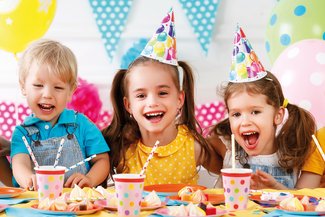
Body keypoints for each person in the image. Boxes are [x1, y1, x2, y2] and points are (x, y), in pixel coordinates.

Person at [102, 8, 221, 185]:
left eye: (162, 93)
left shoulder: (193, 147)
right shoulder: (121, 150)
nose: (152, 102)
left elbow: (230, 170)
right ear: (128, 105)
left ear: (179, 99)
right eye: (141, 95)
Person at [207, 25, 317, 189]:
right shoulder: (228, 148)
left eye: (255, 112)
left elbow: (300, 203)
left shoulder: (292, 150)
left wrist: (275, 188)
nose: (245, 121)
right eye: (236, 114)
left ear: (277, 115)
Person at [11, 39, 110, 190]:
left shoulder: (82, 124)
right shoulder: (22, 133)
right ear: (23, 86)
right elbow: (19, 163)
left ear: (71, 91)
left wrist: (89, 179)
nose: (47, 94)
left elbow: (102, 160)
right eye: (38, 85)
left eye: (58, 87)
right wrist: (28, 179)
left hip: (78, 204)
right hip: (37, 205)